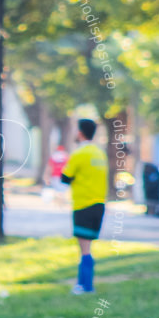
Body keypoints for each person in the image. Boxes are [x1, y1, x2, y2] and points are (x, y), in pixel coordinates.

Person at [60, 118, 108, 295]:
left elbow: (65, 178)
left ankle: (85, 285)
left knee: (84, 248)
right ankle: (84, 284)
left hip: (83, 205)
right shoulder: (99, 153)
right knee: (88, 246)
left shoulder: (80, 154)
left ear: (80, 132)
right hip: (99, 205)